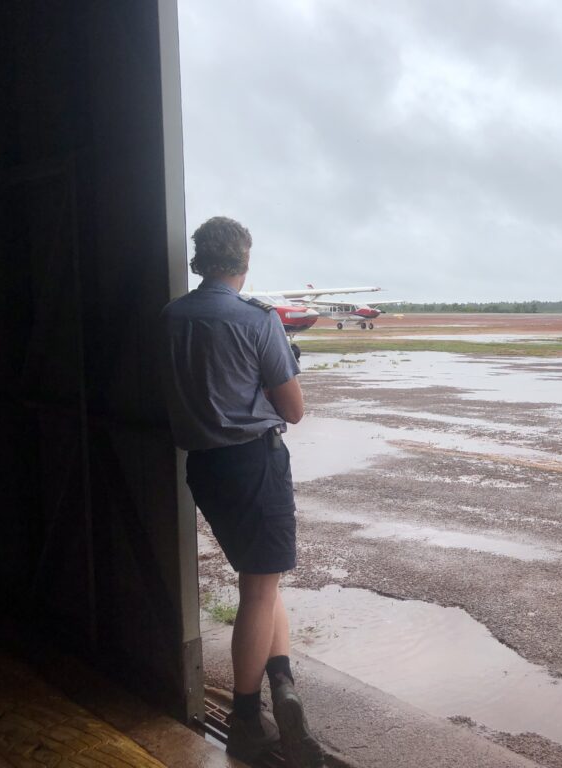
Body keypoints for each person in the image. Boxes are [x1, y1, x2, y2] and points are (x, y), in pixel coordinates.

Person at [160, 216, 324, 768]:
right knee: (258, 591)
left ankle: (284, 684)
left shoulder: (172, 316)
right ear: (244, 262)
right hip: (253, 463)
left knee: (262, 579)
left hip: (204, 467)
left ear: (199, 260)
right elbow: (293, 410)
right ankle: (248, 720)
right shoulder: (258, 321)